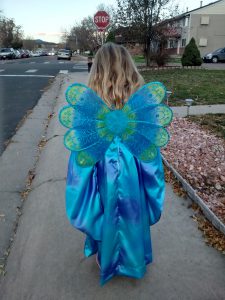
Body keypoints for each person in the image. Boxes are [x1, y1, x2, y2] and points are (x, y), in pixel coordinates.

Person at [59, 42, 172, 285]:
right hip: (133, 170)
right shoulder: (142, 106)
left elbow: (80, 156)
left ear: (97, 72)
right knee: (133, 210)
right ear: (130, 69)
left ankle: (106, 255)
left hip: (102, 170)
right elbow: (150, 155)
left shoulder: (87, 108)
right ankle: (133, 259)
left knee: (104, 208)